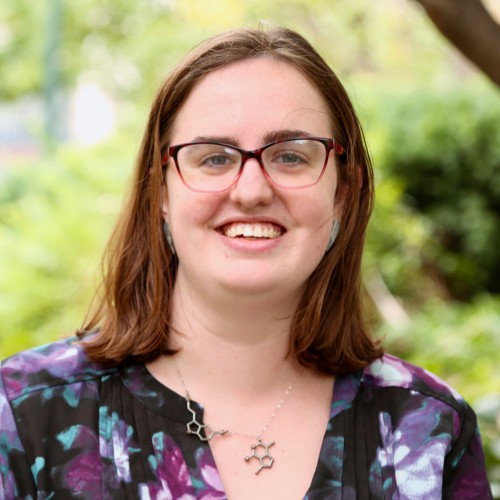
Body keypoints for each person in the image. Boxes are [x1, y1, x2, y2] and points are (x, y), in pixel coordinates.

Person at [0, 26, 492, 499]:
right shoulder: (23, 417)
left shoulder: (430, 428)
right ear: (161, 191)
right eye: (213, 157)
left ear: (343, 190)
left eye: (291, 156)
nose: (252, 191)